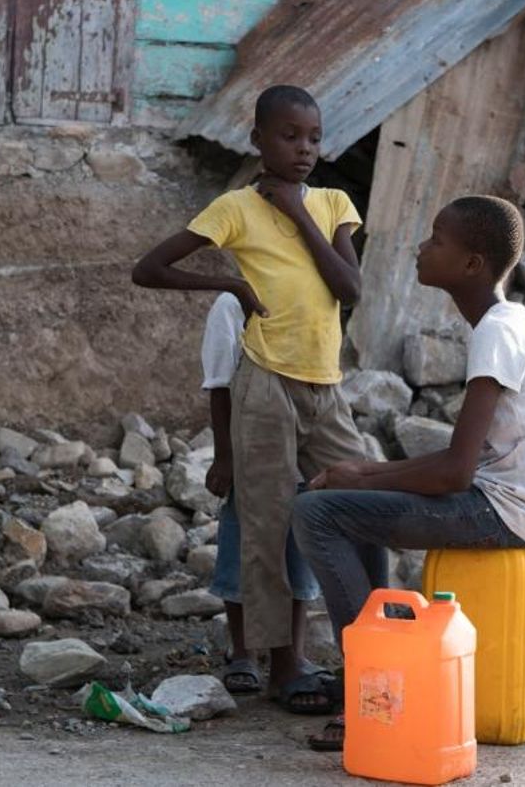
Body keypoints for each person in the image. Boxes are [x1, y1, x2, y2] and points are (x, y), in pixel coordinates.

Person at [293, 195, 525, 751]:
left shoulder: (497, 333)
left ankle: (372, 687)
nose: (421, 248)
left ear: (472, 264)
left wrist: (358, 476)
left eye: (436, 240)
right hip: (521, 506)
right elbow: (460, 465)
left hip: (510, 513)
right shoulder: (504, 326)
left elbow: (455, 472)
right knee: (348, 509)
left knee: (317, 513)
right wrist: (362, 474)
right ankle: (375, 666)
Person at [132, 85, 366, 713]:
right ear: (257, 139)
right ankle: (283, 668)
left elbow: (349, 288)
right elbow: (148, 269)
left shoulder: (333, 202)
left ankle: (370, 648)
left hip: (326, 386)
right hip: (263, 382)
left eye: (314, 137)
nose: (304, 149)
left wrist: (298, 215)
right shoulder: (234, 208)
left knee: (363, 499)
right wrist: (229, 282)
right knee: (266, 524)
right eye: (289, 136)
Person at [199, 291, 325, 696]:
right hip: (252, 447)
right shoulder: (230, 307)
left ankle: (293, 654)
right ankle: (244, 652)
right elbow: (220, 386)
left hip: (301, 438)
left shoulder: (307, 293)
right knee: (244, 545)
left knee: (297, 549)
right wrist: (225, 456)